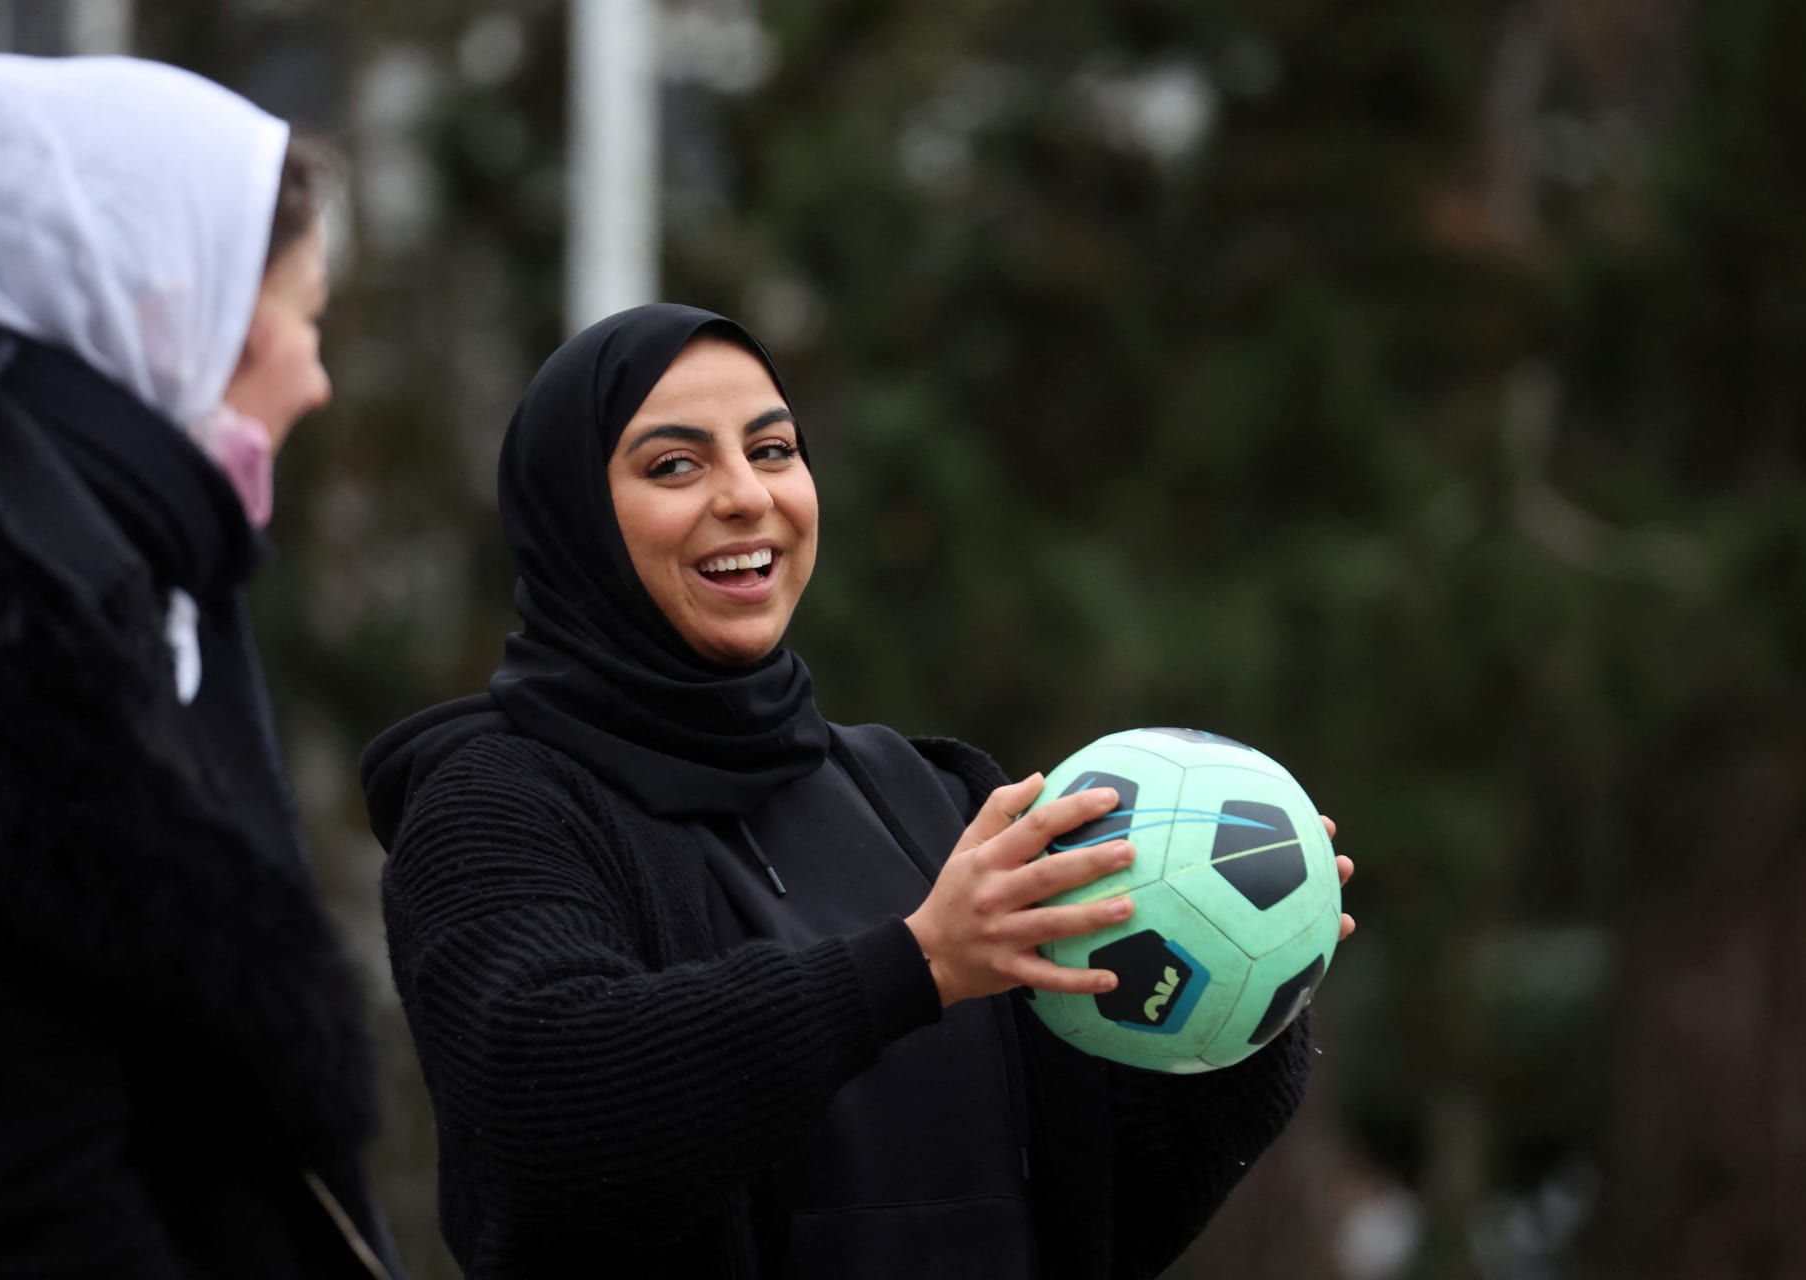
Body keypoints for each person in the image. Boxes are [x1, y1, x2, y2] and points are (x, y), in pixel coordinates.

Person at [363, 304, 1356, 1278]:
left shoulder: (934, 794)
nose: (748, 495)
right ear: (571, 513)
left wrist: (1253, 977)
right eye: (676, 464)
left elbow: (1101, 1204)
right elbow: (548, 1113)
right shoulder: (493, 800)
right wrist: (915, 962)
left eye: (775, 449)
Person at [0, 52, 400, 1278]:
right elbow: (23, 1187)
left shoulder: (126, 598)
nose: (317, 378)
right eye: (302, 317)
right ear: (164, 309)